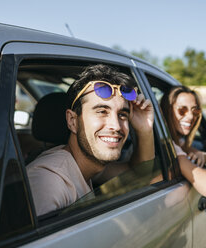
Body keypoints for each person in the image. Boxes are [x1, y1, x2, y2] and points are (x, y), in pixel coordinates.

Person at [27, 64, 155, 216]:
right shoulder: (50, 183)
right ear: (73, 121)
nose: (116, 126)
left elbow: (138, 174)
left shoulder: (85, 164)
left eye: (122, 114)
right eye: (102, 111)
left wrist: (145, 129)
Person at [160, 86, 206, 199]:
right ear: (168, 111)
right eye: (182, 110)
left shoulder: (181, 143)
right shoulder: (169, 146)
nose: (190, 116)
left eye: (195, 111)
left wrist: (205, 157)